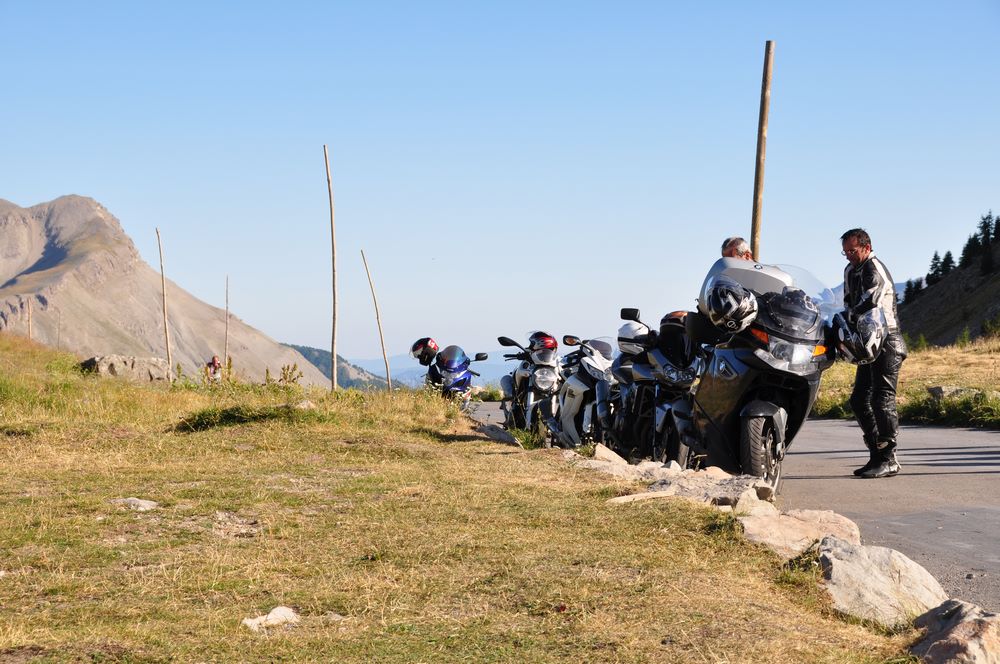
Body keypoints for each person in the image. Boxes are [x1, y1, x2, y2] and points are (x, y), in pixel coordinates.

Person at [840, 228, 907, 479]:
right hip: (866, 340)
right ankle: (876, 455)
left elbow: (870, 300)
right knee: (859, 399)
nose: (848, 256)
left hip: (887, 338)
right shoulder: (850, 270)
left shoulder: (873, 268)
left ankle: (889, 458)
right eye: (845, 252)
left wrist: (846, 317)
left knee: (882, 398)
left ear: (866, 247)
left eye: (852, 251)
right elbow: (849, 302)